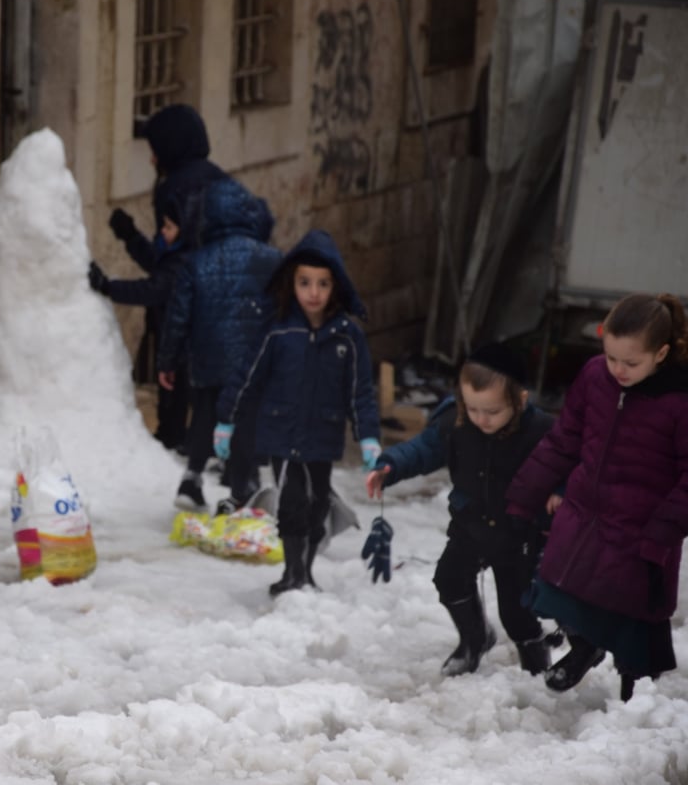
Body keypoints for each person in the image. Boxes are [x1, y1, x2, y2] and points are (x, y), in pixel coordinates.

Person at [506, 293, 688, 701]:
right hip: (584, 513)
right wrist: (523, 496)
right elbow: (564, 440)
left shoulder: (680, 401)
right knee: (556, 587)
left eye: (631, 362)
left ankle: (635, 706)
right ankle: (585, 648)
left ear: (660, 353)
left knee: (631, 616)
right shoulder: (594, 376)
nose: (618, 370)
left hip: (641, 527)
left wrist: (664, 529)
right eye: (611, 358)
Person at [364, 343, 557, 676]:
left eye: (492, 411)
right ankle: (474, 639)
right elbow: (422, 449)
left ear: (520, 400)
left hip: (518, 532)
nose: (481, 418)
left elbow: (571, 467)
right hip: (471, 523)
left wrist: (560, 492)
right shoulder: (456, 420)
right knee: (450, 581)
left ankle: (534, 653)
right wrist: (390, 466)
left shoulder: (542, 432)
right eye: (473, 408)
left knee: (517, 610)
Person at [216, 230, 378, 595]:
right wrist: (225, 420)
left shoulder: (347, 338)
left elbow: (360, 392)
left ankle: (306, 569)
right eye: (305, 282)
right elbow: (246, 378)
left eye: (323, 283)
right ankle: (292, 573)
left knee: (318, 501)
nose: (314, 292)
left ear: (336, 286)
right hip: (281, 431)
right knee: (292, 499)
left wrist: (368, 437)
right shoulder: (277, 331)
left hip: (323, 433)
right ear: (292, 282)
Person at [92, 103, 229, 451]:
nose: (152, 161)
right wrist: (131, 238)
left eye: (155, 152)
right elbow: (165, 265)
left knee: (182, 383)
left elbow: (163, 279)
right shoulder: (206, 181)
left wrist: (108, 286)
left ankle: (190, 449)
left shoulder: (180, 189)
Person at [156, 177, 279, 514]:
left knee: (205, 415)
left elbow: (178, 316)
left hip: (208, 357)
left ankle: (192, 479)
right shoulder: (271, 259)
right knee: (244, 421)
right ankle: (241, 489)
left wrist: (167, 361)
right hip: (252, 362)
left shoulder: (196, 262)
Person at [88, 184, 196, 450]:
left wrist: (107, 287)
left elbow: (150, 290)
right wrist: (130, 236)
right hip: (172, 337)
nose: (163, 231)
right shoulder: (174, 253)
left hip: (185, 343)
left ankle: (175, 440)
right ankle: (171, 435)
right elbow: (154, 262)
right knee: (169, 393)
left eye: (169, 227)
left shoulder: (183, 263)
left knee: (176, 394)